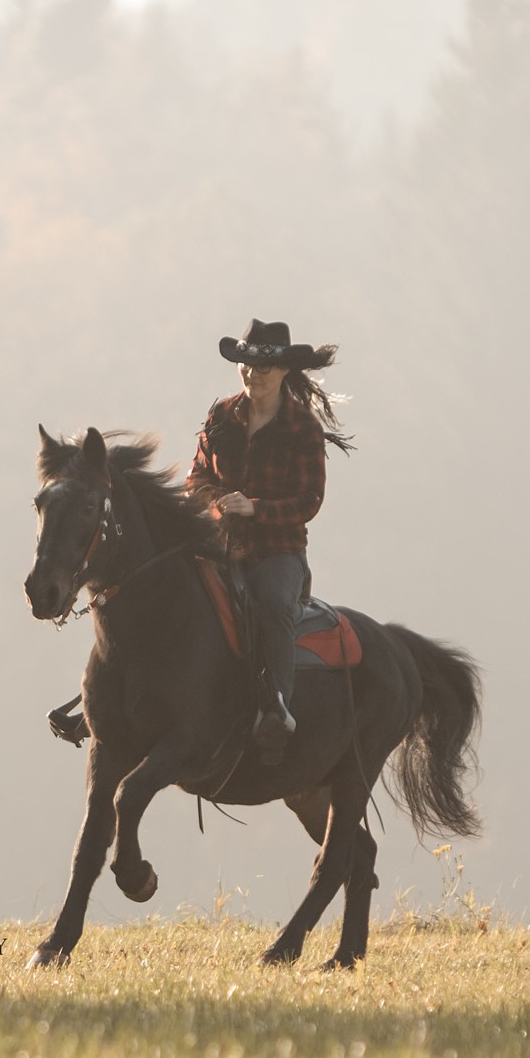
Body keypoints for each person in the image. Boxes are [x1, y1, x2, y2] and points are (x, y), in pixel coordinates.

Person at [186, 319, 351, 765]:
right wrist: (220, 506)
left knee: (274, 605)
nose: (251, 375)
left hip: (278, 551)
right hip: (218, 542)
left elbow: (309, 500)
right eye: (246, 366)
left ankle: (276, 707)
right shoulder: (221, 414)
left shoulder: (303, 428)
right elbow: (195, 478)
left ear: (282, 372)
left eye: (262, 369)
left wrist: (255, 508)